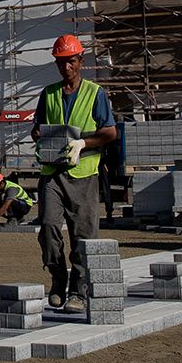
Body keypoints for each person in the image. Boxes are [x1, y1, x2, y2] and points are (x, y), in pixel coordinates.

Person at [31, 33, 118, 310]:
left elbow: (110, 132)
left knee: (83, 233)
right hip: (52, 173)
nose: (65, 67)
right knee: (47, 225)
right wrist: (41, 136)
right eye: (60, 62)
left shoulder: (95, 93)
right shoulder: (49, 93)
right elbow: (37, 127)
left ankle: (78, 290)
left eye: (70, 62)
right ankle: (57, 278)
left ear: (80, 60)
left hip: (84, 173)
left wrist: (83, 143)